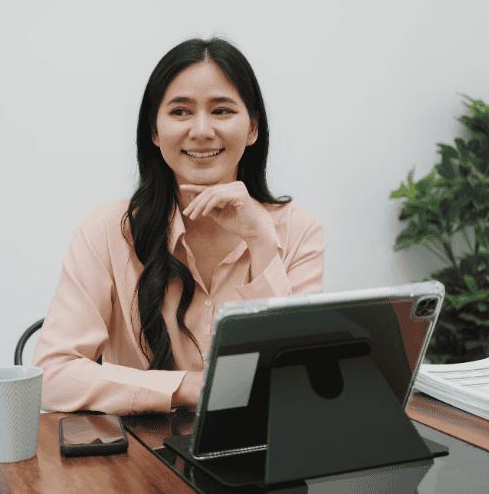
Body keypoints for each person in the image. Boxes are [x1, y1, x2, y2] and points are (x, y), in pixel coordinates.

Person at [33, 37, 325, 415]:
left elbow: (297, 382)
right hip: (140, 462)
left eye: (221, 111)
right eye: (180, 112)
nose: (201, 130)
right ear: (154, 132)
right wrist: (185, 387)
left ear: (252, 129)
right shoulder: (108, 230)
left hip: (259, 455)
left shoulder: (299, 231)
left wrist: (260, 240)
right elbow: (52, 377)